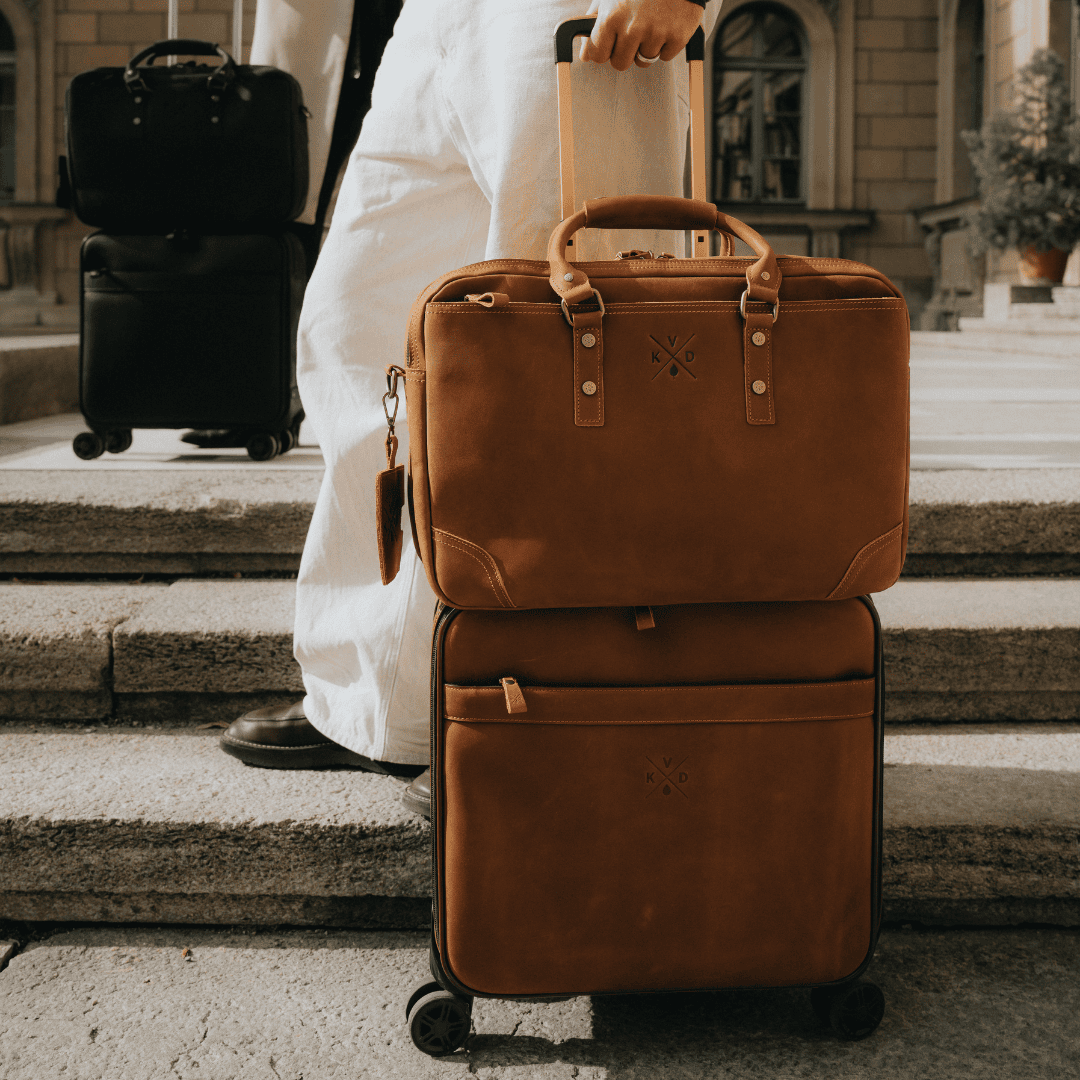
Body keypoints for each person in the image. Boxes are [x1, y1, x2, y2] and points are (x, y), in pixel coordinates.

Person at [219, 0, 721, 815]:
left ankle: (543, 706)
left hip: (582, 13)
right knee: (359, 323)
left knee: (565, 349)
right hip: (437, 18)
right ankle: (381, 703)